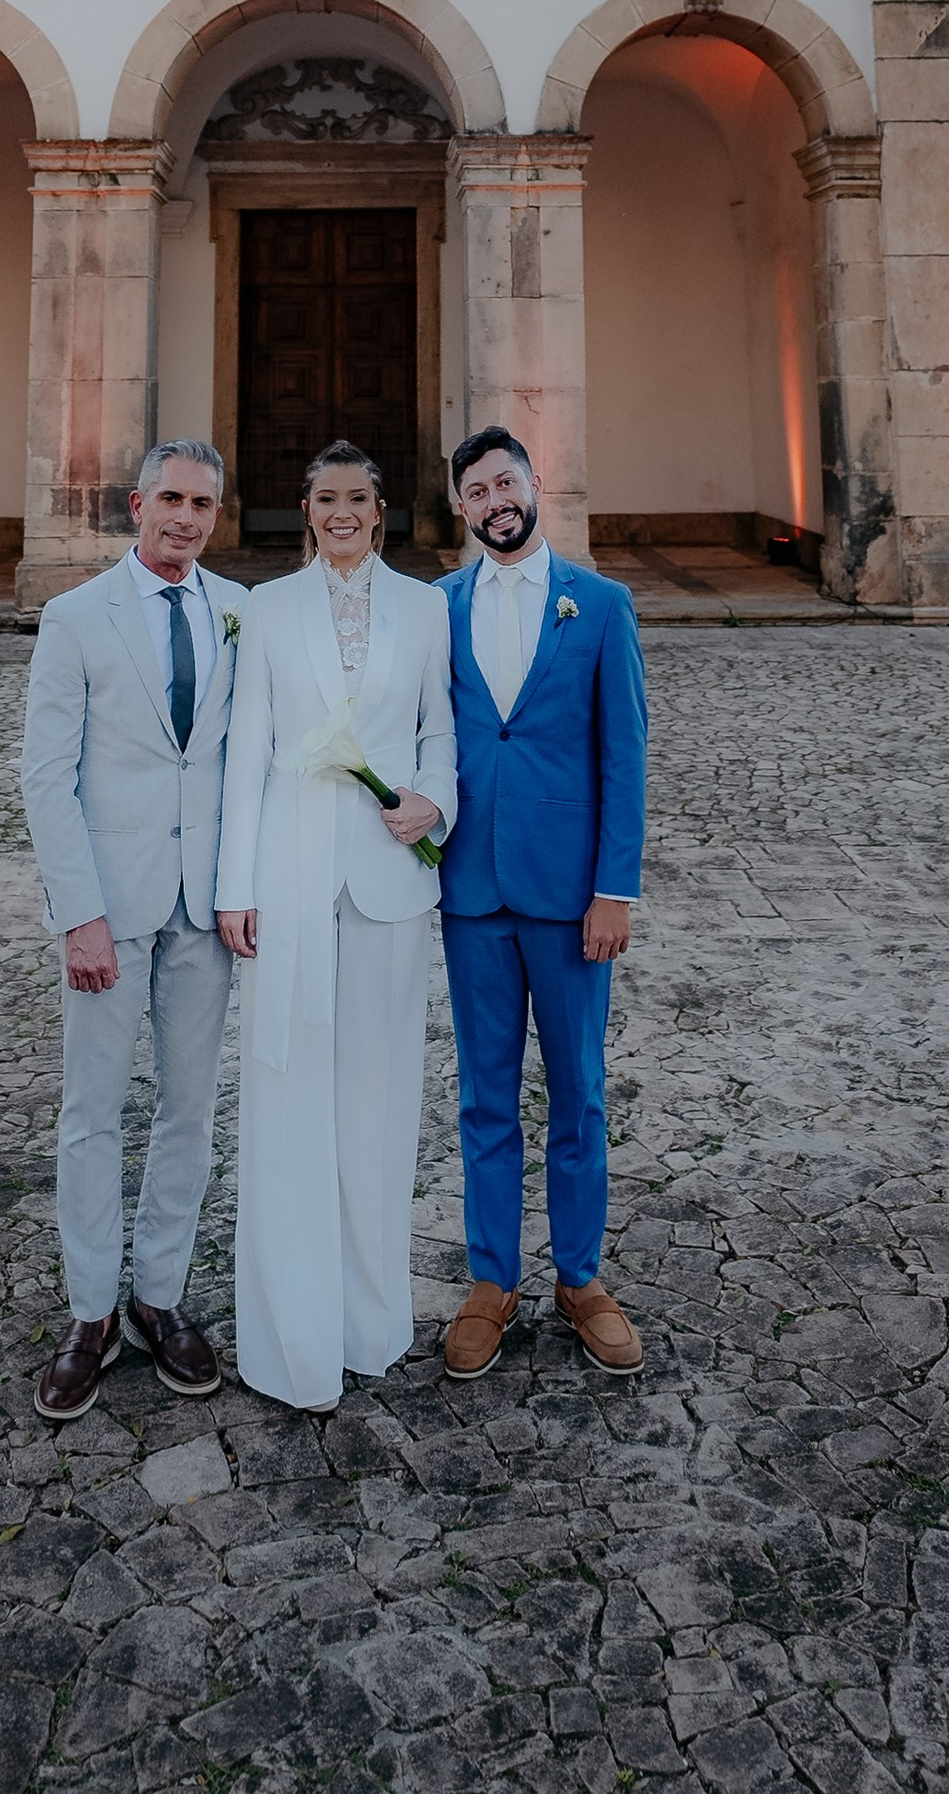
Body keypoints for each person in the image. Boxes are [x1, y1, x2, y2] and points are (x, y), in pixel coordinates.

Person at [213, 441, 457, 1410]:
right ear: (306, 510)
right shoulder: (264, 609)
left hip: (390, 880)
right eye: (326, 498)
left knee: (380, 1100)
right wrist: (238, 886)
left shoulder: (426, 607)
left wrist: (430, 801)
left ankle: (370, 1317)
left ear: (380, 508)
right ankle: (292, 1326)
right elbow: (244, 758)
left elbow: (440, 728)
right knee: (288, 1097)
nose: (343, 511)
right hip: (291, 875)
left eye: (359, 496)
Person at [17, 439, 242, 1423]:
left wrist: (243, 886)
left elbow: (247, 760)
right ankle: (90, 1314)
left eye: (202, 503)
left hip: (203, 909)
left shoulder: (239, 611)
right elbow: (45, 776)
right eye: (171, 499)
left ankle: (159, 1296)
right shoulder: (75, 618)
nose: (185, 518)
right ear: (135, 502)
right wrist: (80, 915)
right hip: (109, 907)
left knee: (188, 1113)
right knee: (92, 1111)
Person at [435, 423, 648, 1378]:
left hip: (570, 900)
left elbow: (624, 757)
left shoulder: (599, 606)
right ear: (461, 508)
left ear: (534, 484)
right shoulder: (433, 607)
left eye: (506, 480)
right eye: (476, 490)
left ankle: (581, 1277)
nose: (495, 500)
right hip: (472, 890)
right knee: (484, 1098)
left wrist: (614, 889)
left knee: (579, 1095)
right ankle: (491, 1280)